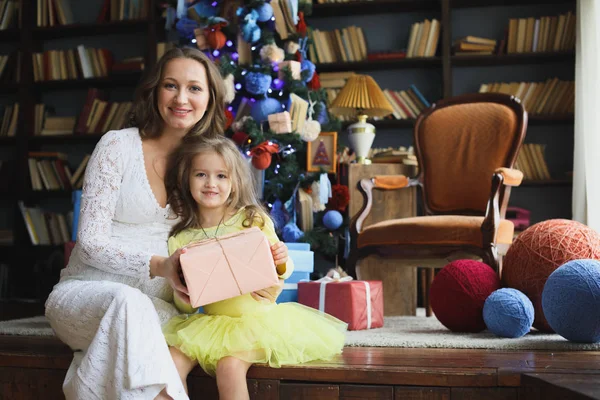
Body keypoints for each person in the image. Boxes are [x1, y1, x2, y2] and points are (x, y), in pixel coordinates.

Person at [44, 46, 288, 400]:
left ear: (209, 98)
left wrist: (257, 279)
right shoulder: (117, 146)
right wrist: (160, 265)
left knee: (161, 337)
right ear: (155, 91)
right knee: (129, 304)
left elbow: (229, 236)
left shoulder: (207, 167)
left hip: (162, 310)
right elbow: (90, 241)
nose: (181, 98)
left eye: (194, 88)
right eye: (171, 86)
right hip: (88, 294)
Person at [162, 136, 347, 400]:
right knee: (169, 361)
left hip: (256, 322)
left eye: (221, 176)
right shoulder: (180, 239)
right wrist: (183, 293)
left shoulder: (251, 219)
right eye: (201, 174)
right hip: (209, 323)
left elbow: (282, 267)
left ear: (235, 182)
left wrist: (281, 257)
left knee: (229, 365)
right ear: (187, 179)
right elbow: (186, 304)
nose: (211, 183)